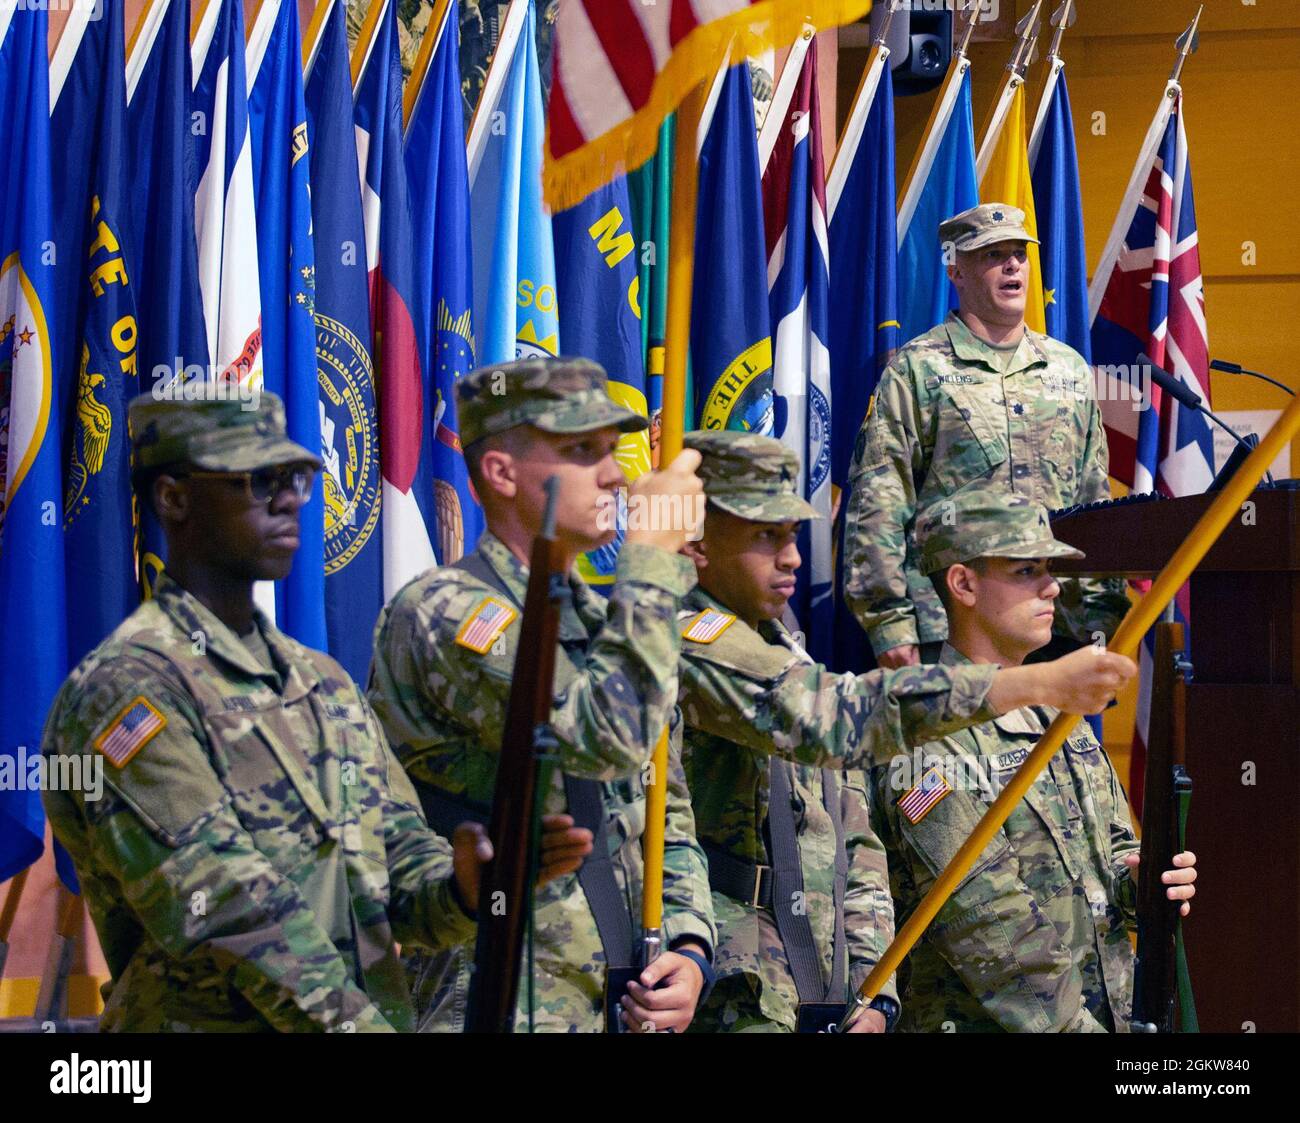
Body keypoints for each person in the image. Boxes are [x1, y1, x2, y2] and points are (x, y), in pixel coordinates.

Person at [40, 392, 591, 1032]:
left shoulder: (320, 683)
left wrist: (466, 889)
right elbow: (229, 913)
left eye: (296, 479)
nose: (289, 500)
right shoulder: (126, 691)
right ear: (174, 498)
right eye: (258, 480)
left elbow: (393, 862)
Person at [674, 431, 1137, 1033]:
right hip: (741, 981)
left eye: (791, 534)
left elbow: (849, 837)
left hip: (819, 979)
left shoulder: (782, 646)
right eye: (767, 536)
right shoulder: (692, 642)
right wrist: (1031, 684)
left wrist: (871, 992)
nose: (793, 557)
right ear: (696, 542)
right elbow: (982, 914)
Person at [367, 357, 716, 1033]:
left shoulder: (603, 619)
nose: (616, 473)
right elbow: (602, 739)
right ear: (501, 473)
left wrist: (689, 947)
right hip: (500, 997)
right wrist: (649, 565)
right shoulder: (446, 612)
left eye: (612, 450)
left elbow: (662, 810)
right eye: (583, 451)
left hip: (618, 999)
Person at [867, 485, 1197, 1032]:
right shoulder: (927, 733)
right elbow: (992, 931)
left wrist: (1142, 882)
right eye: (1025, 571)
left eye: (1048, 568)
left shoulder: (1056, 713)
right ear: (963, 583)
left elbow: (1112, 851)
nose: (1051, 587)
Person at [844, 202, 1129, 669]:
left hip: (1057, 625)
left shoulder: (1068, 369)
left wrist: (1102, 616)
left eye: (1020, 252)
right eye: (993, 254)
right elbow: (879, 502)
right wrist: (889, 622)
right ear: (956, 270)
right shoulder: (918, 369)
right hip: (953, 630)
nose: (1013, 264)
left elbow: (1093, 499)